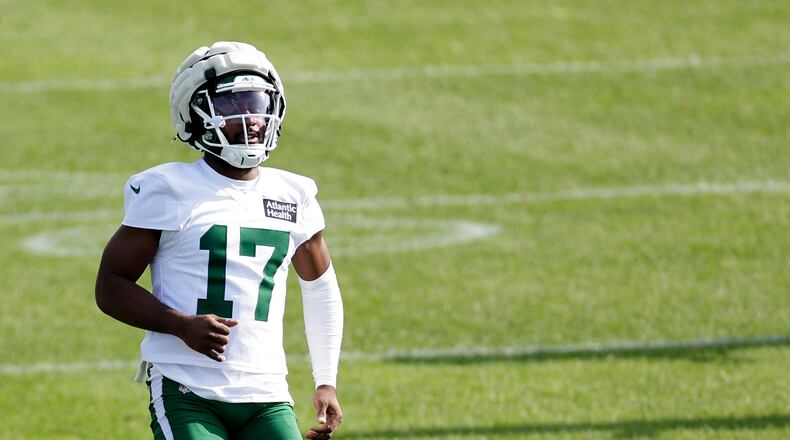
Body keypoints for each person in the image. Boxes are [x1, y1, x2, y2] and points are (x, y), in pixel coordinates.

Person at [95, 41, 343, 440]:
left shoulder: (294, 194)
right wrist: (180, 326)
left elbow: (321, 291)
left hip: (266, 391)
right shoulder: (169, 187)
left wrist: (325, 380)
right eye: (232, 105)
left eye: (258, 103)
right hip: (185, 385)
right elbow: (110, 286)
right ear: (194, 114)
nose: (252, 118)